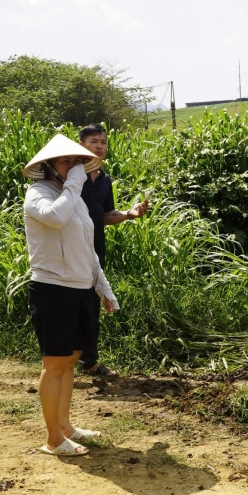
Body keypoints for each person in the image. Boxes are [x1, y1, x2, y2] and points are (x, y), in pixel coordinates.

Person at [23, 135, 119, 456]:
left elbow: (87, 248)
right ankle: (52, 438)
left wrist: (102, 287)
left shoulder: (74, 198)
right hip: (52, 289)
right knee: (55, 363)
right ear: (49, 167)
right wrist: (74, 185)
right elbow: (55, 217)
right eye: (67, 162)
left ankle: (65, 427)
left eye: (77, 162)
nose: (75, 168)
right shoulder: (37, 194)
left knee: (72, 359)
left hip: (79, 288)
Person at [77, 124, 148, 377]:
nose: (100, 146)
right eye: (94, 141)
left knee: (92, 302)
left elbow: (105, 214)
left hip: (96, 247)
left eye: (104, 142)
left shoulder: (105, 180)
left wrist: (129, 214)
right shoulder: (69, 174)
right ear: (81, 144)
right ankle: (60, 360)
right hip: (71, 248)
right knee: (73, 302)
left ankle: (89, 361)